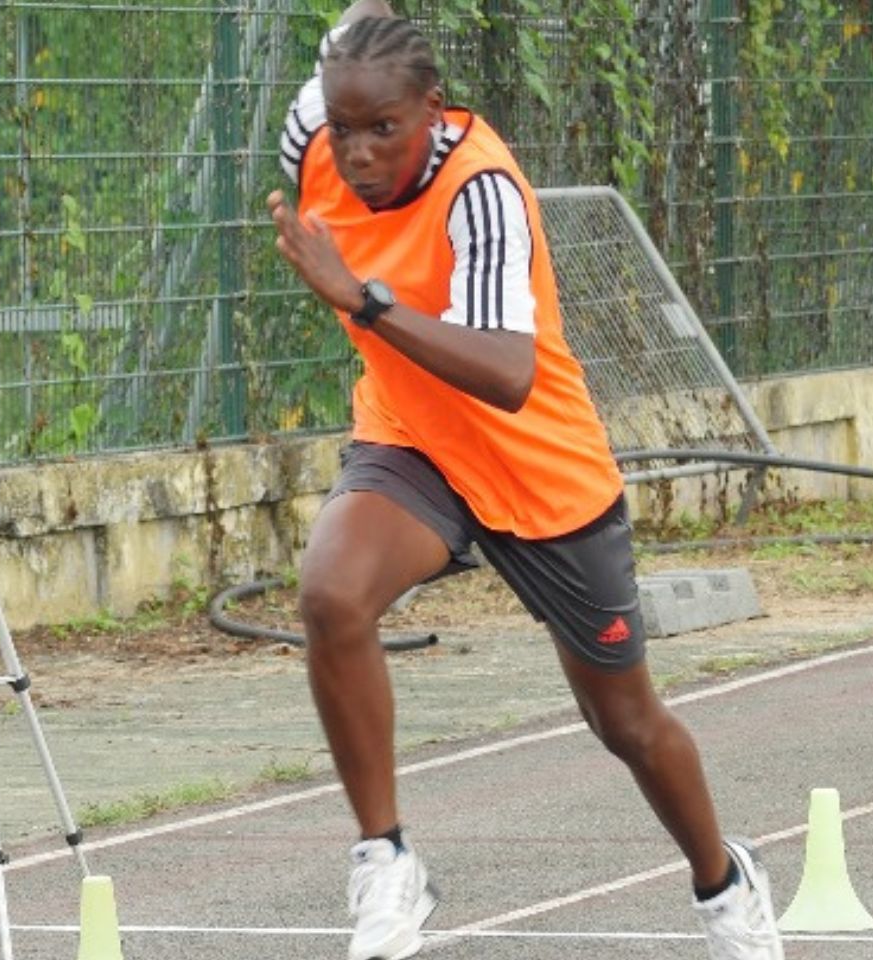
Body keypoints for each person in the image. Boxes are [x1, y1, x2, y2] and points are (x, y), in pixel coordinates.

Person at [267, 4, 784, 959]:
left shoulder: (483, 188)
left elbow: (508, 374)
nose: (361, 150)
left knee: (624, 721)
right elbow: (351, 35)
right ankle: (387, 861)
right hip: (415, 444)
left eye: (386, 128)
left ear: (435, 109)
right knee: (331, 596)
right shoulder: (318, 133)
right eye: (345, 128)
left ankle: (724, 883)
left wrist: (362, 300)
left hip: (537, 467)